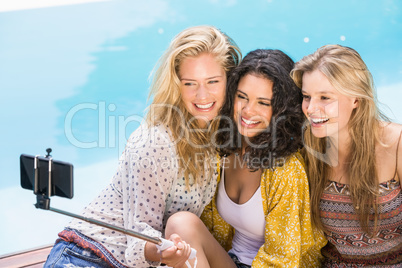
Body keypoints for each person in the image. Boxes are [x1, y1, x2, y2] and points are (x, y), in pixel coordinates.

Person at [43, 25, 241, 268]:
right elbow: (137, 242)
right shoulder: (156, 141)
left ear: (228, 80)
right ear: (176, 84)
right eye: (190, 83)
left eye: (212, 81)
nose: (202, 95)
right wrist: (163, 253)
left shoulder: (214, 136)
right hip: (87, 255)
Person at [164, 49, 327, 268]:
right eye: (242, 97)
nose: (248, 111)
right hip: (230, 260)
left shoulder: (286, 170)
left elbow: (283, 260)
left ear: (281, 109)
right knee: (181, 224)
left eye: (263, 103)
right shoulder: (223, 151)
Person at [291, 44, 402, 266]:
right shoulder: (307, 154)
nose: (311, 108)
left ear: (356, 99)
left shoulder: (396, 144)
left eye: (325, 97)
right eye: (307, 96)